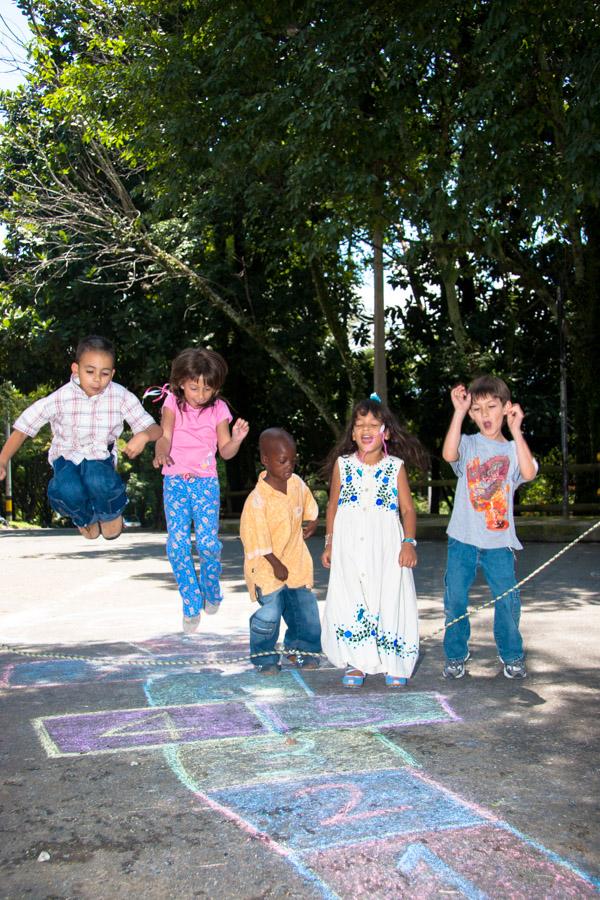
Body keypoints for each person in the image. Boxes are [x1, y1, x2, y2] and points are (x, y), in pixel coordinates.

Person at [0, 335, 160, 540]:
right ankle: (85, 518)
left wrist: (144, 435)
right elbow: (24, 428)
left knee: (95, 476)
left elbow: (155, 428)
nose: (97, 379)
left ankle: (110, 511)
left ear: (112, 373)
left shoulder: (120, 396)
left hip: (100, 457)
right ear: (76, 369)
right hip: (65, 457)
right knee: (66, 489)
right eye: (90, 371)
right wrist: (3, 460)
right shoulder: (59, 398)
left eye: (104, 374)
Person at [321, 395, 428, 687]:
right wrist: (329, 543)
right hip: (349, 546)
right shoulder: (342, 465)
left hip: (386, 547)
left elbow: (407, 509)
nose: (366, 430)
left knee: (388, 596)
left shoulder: (395, 467)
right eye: (359, 425)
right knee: (352, 597)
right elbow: (332, 506)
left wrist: (409, 543)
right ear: (352, 433)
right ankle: (357, 661)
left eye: (373, 424)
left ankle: (394, 660)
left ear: (386, 432)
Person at [441, 375, 538, 680]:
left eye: (492, 407)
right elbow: (448, 454)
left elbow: (529, 472)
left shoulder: (512, 451)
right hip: (463, 539)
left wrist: (516, 430)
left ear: (506, 408)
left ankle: (511, 655)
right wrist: (458, 411)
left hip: (499, 542)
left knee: (507, 601)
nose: (485, 415)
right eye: (478, 409)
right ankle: (456, 654)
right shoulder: (468, 444)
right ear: (471, 413)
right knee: (455, 597)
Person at [152, 347, 249, 633]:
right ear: (181, 382)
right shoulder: (172, 402)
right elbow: (165, 436)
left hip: (205, 483)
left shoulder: (218, 409)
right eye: (194, 388)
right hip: (175, 481)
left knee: (207, 544)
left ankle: (211, 588)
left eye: (207, 389)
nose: (200, 395)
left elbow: (226, 451)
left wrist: (238, 438)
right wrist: (160, 452)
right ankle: (191, 603)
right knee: (177, 545)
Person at [240, 428, 322, 675]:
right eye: (283, 460)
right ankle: (264, 657)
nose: (290, 465)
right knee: (270, 613)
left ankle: (302, 651)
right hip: (266, 567)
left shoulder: (296, 483)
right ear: (266, 460)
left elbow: (308, 505)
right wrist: (275, 563)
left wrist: (313, 521)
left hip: (296, 561)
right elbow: (255, 537)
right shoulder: (257, 500)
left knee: (305, 611)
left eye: (293, 460)